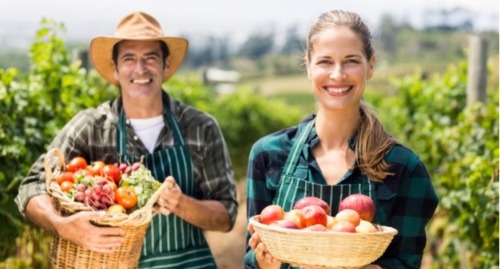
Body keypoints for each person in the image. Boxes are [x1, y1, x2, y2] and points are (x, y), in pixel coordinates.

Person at [15, 11, 238, 269]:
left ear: (166, 65)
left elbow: (227, 214)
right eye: (129, 59)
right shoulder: (91, 127)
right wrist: (63, 226)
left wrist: (181, 203)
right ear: (115, 68)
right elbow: (32, 186)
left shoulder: (200, 128)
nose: (140, 69)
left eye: (150, 58)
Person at [245, 10, 438, 269]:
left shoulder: (404, 167)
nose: (338, 74)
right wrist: (263, 262)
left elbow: (406, 263)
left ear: (371, 66)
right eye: (325, 61)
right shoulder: (268, 155)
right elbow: (250, 258)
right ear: (309, 66)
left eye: (351, 61)